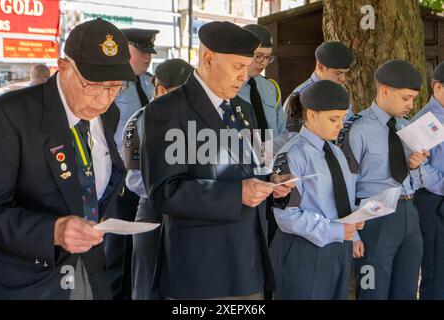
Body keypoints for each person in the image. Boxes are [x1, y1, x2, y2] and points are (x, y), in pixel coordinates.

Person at [141, 21, 293, 300]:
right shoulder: (166, 111)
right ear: (208, 59)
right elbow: (164, 192)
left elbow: (252, 168)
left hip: (248, 265)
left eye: (247, 68)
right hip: (202, 270)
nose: (244, 77)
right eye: (237, 67)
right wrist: (237, 194)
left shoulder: (242, 108)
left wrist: (271, 183)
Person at [0, 18, 135, 299]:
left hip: (91, 273)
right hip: (29, 282)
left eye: (115, 87)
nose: (102, 100)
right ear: (64, 67)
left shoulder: (108, 114)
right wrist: (54, 231)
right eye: (92, 85)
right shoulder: (10, 115)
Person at [270, 80, 364, 299]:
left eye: (342, 118)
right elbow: (286, 216)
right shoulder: (292, 155)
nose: (340, 125)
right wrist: (336, 230)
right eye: (334, 119)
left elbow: (343, 198)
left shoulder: (336, 152)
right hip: (304, 250)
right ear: (311, 115)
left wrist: (354, 225)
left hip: (338, 247)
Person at [346, 59, 429, 299]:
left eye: (413, 98)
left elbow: (414, 180)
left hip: (408, 213)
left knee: (406, 290)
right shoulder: (357, 129)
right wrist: (353, 234)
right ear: (384, 91)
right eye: (406, 98)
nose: (411, 105)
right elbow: (347, 184)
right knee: (373, 290)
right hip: (373, 217)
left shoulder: (407, 128)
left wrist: (414, 166)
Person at [123, 58, 194, 300]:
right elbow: (133, 177)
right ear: (161, 90)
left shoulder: (194, 119)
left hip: (188, 212)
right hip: (152, 212)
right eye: (181, 93)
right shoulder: (139, 121)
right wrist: (170, 190)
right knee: (147, 287)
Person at [105, 27, 159, 300]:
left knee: (139, 252)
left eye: (150, 52)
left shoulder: (151, 83)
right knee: (116, 250)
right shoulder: (112, 85)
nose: (148, 57)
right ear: (126, 50)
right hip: (119, 178)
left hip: (146, 176)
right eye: (143, 51)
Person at [411, 61, 444, 300]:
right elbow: (421, 170)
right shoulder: (425, 120)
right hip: (434, 202)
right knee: (435, 270)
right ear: (438, 87)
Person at [283, 41, 354, 125]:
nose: (343, 79)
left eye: (345, 73)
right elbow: (286, 134)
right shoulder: (299, 98)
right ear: (320, 67)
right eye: (338, 73)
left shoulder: (341, 94)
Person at [238, 24, 286, 139]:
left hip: (271, 153)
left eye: (268, 57)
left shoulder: (270, 87)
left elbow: (281, 131)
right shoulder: (226, 88)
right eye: (258, 56)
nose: (263, 63)